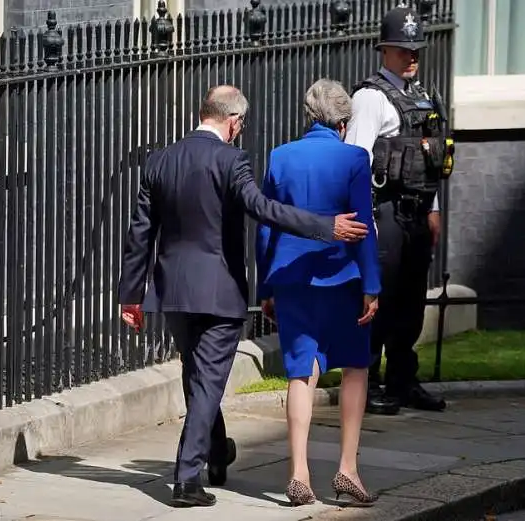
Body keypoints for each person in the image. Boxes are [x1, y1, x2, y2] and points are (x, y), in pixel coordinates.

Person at [118, 85, 370, 508]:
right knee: (208, 382)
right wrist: (327, 227)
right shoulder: (231, 160)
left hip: (173, 291)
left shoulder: (159, 161)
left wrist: (131, 294)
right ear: (233, 122)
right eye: (242, 126)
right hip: (218, 291)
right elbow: (265, 209)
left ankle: (217, 451)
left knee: (198, 378)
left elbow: (140, 231)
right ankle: (186, 478)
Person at [256, 79, 380, 506]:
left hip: (291, 279)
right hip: (342, 277)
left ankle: (299, 473)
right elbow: (362, 227)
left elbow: (266, 225)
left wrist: (266, 286)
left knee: (300, 372)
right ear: (342, 122)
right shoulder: (353, 158)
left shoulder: (280, 156)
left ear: (310, 116)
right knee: (356, 369)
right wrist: (372, 285)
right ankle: (347, 469)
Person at [343, 4, 454, 415]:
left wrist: (434, 208)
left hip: (418, 210)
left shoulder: (421, 98)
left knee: (410, 301)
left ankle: (403, 380)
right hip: (384, 211)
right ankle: (367, 381)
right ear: (384, 51)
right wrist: (361, 219)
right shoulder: (371, 98)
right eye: (403, 50)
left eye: (415, 50)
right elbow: (354, 160)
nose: (411, 56)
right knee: (379, 298)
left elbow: (428, 161)